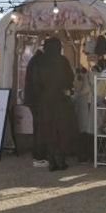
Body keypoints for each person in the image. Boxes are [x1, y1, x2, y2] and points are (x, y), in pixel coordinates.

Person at [37, 38, 77, 171]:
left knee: (48, 130)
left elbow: (36, 82)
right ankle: (60, 160)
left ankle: (52, 161)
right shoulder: (62, 61)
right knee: (61, 130)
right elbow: (70, 78)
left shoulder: (41, 61)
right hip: (60, 100)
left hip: (45, 100)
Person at [24, 48, 46, 166]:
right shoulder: (39, 62)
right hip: (37, 100)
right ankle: (38, 153)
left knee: (37, 125)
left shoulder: (33, 60)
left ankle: (37, 152)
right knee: (39, 126)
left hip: (32, 99)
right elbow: (37, 82)